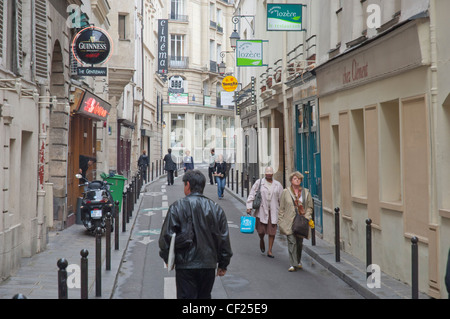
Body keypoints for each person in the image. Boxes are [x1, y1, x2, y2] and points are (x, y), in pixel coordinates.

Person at [159, 170, 233, 299]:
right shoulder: (216, 209)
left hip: (185, 264)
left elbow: (166, 236)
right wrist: (223, 264)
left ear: (188, 185)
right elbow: (223, 239)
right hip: (208, 264)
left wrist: (167, 258)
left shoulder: (177, 207)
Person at [278, 171, 314, 272]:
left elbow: (310, 207)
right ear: (291, 180)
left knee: (299, 243)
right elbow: (282, 208)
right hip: (289, 221)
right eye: (295, 178)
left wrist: (307, 217)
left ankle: (297, 261)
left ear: (301, 180)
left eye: (299, 179)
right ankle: (293, 264)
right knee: (291, 241)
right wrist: (280, 221)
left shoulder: (306, 192)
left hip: (301, 221)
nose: (297, 180)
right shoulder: (286, 192)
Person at [246, 167, 283, 258]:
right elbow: (252, 194)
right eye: (267, 173)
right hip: (261, 210)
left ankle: (269, 250)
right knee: (261, 231)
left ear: (273, 174)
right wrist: (249, 207)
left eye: (270, 173)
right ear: (265, 173)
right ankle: (261, 239)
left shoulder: (278, 185)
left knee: (272, 232)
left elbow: (281, 199)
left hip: (273, 211)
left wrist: (282, 211)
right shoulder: (259, 183)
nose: (269, 174)